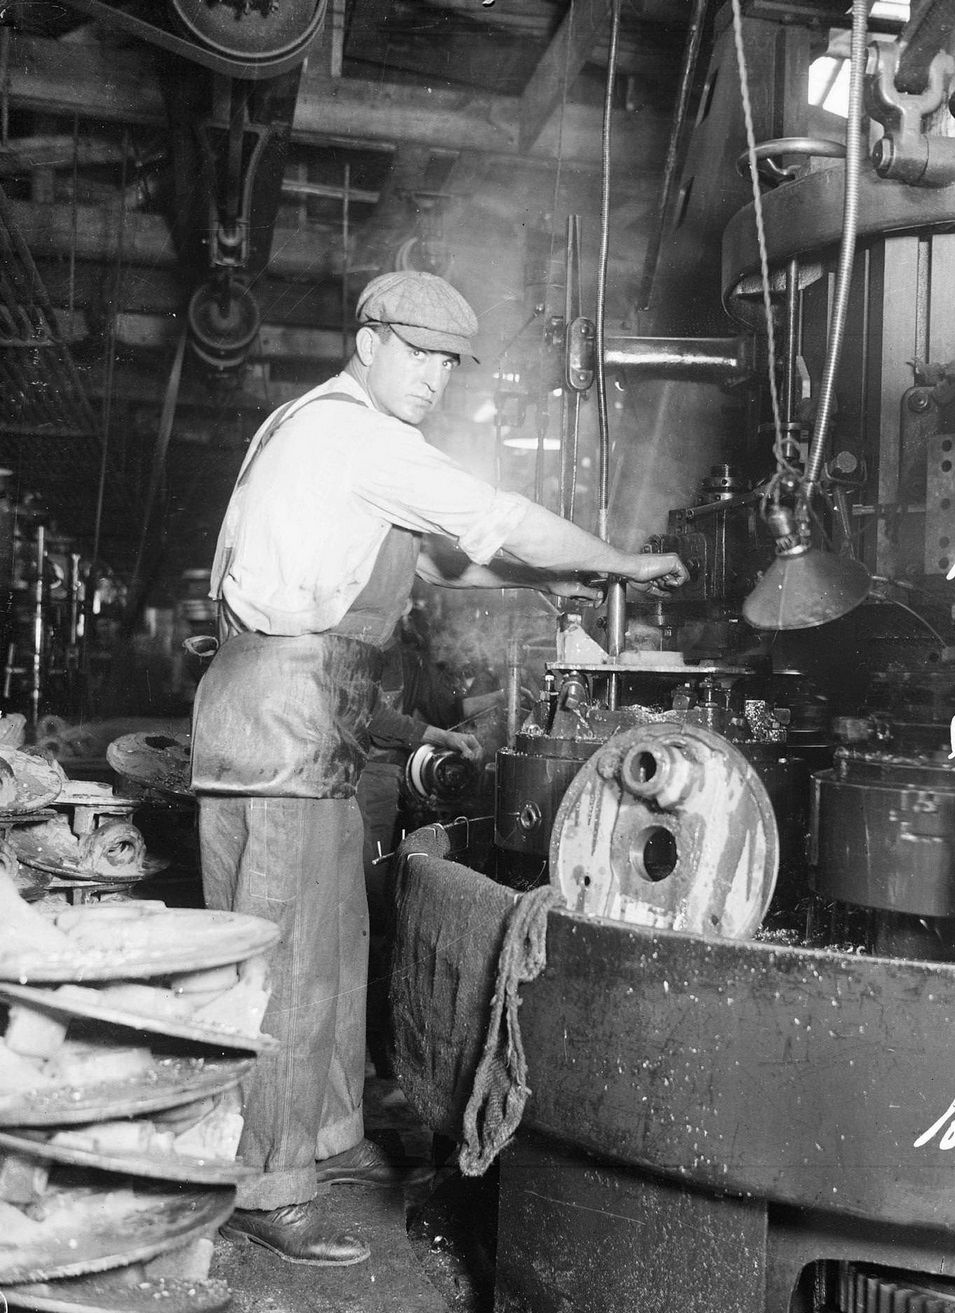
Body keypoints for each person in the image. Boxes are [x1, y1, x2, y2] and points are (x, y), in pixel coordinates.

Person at [189, 269, 689, 1267]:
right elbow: (492, 518)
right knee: (279, 964)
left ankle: (322, 1144)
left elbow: (457, 561)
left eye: (447, 363)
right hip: (276, 711)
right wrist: (619, 562)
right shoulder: (353, 433)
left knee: (330, 945)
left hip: (312, 717)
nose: (432, 377)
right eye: (415, 353)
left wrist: (570, 570)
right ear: (366, 341)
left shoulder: (349, 445)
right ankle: (265, 1182)